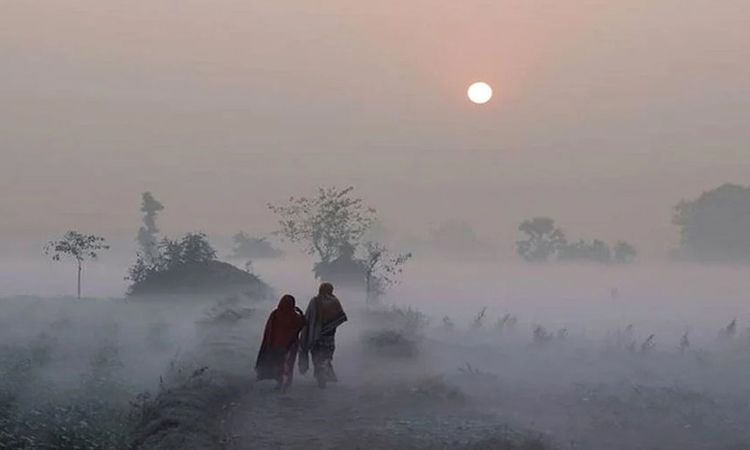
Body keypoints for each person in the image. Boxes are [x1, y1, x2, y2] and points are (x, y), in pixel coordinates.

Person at [298, 282, 348, 388]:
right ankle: (324, 370)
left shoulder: (314, 301)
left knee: (316, 356)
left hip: (315, 335)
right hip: (329, 336)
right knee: (327, 356)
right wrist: (329, 326)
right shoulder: (335, 302)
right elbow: (340, 318)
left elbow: (308, 317)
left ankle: (320, 374)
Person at [255, 294, 307, 391]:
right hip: (292, 345)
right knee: (289, 364)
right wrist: (301, 312)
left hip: (277, 345)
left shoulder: (275, 314)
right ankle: (288, 383)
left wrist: (268, 343)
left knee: (279, 364)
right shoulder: (295, 317)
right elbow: (303, 323)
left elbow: (269, 329)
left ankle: (279, 382)